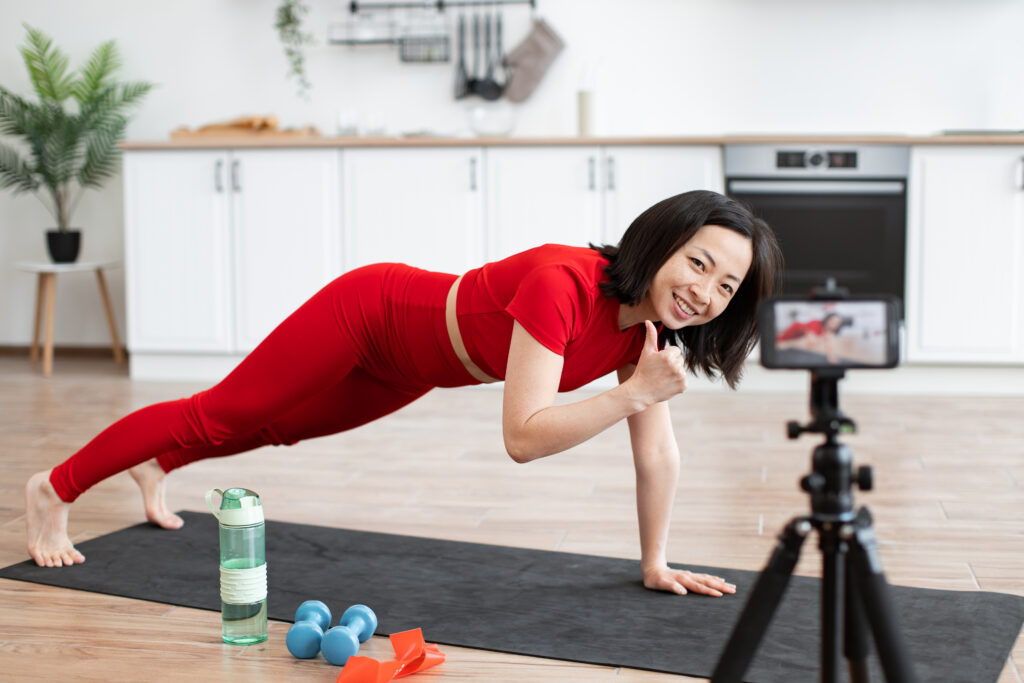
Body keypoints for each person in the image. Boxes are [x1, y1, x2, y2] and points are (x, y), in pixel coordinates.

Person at [25, 190, 782, 598]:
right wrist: (631, 396)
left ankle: (158, 462)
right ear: (661, 241)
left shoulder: (640, 337)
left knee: (280, 427)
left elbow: (659, 454)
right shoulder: (566, 281)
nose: (705, 291)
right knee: (230, 408)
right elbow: (522, 437)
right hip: (370, 312)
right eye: (699, 263)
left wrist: (656, 560)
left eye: (727, 285)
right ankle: (54, 487)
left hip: (413, 366)